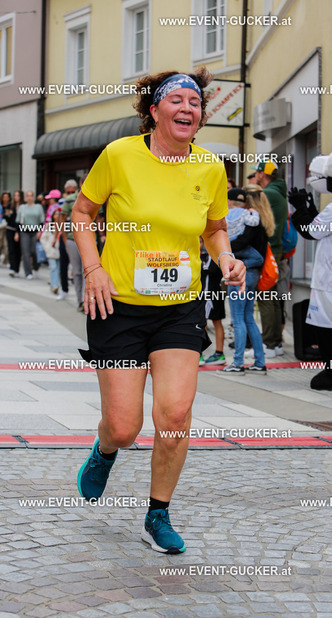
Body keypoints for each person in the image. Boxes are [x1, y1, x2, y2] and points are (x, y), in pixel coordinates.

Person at [72, 67, 245, 554]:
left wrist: (226, 258)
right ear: (154, 111)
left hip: (179, 307)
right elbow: (82, 212)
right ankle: (105, 448)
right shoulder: (120, 155)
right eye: (177, 100)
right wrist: (92, 268)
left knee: (175, 414)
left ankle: (158, 514)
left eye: (196, 102)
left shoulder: (210, 168)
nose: (188, 108)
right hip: (118, 305)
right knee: (124, 427)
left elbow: (214, 228)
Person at [217, 187, 269, 375]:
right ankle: (259, 362)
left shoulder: (239, 219)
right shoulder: (256, 219)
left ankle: (238, 363)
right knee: (248, 318)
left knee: (238, 319)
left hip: (241, 273)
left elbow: (237, 243)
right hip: (254, 273)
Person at [253, 160, 288, 357]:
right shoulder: (278, 192)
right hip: (275, 250)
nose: (255, 176)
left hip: (267, 250)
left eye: (257, 173)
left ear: (262, 174)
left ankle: (268, 344)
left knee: (265, 297)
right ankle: (275, 343)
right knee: (272, 297)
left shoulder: (268, 193)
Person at [199, 237, 226, 365]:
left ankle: (214, 354)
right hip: (209, 293)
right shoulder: (203, 255)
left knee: (205, 322)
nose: (198, 244)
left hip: (211, 294)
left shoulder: (213, 254)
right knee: (207, 322)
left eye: (200, 241)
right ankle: (210, 354)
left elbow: (209, 269)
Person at [61, 179, 84, 311]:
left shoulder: (95, 198)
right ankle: (80, 300)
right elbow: (63, 219)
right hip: (72, 239)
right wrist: (65, 239)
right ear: (80, 184)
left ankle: (86, 300)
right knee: (77, 272)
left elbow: (99, 219)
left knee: (87, 271)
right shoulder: (69, 200)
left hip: (89, 239)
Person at [16, 191, 45, 279]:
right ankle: (28, 272)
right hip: (24, 230)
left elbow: (41, 220)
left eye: (30, 196)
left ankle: (36, 267)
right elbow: (18, 221)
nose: (29, 198)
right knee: (26, 252)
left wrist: (40, 231)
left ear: (33, 197)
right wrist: (17, 233)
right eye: (27, 196)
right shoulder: (22, 207)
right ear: (25, 197)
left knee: (34, 251)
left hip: (35, 230)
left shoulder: (38, 207)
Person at [40, 209, 61, 294]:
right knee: (53, 267)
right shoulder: (49, 226)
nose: (57, 216)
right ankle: (55, 285)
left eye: (58, 214)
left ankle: (55, 283)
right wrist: (47, 247)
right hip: (51, 250)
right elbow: (43, 238)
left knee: (58, 269)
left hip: (60, 251)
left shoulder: (64, 226)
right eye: (55, 214)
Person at [5, 190, 24, 276]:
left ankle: (16, 269)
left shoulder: (23, 206)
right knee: (11, 249)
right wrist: (8, 214)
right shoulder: (10, 205)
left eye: (17, 195)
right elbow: (6, 216)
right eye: (15, 195)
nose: (16, 197)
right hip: (10, 229)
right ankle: (12, 268)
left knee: (18, 250)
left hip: (20, 229)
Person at [0, 192, 11, 266]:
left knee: (6, 244)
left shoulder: (10, 205)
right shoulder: (0, 206)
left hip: (7, 227)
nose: (5, 199)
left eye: (7, 197)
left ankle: (6, 261)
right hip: (0, 227)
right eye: (4, 197)